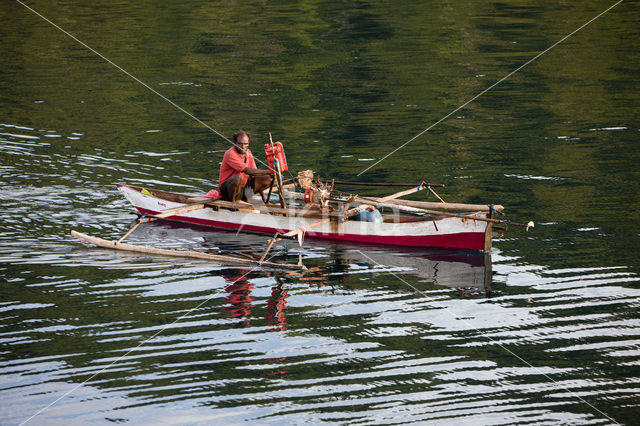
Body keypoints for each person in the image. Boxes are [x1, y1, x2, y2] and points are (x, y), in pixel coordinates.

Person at [219, 130, 273, 202]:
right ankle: (232, 203)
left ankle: (244, 197)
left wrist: (264, 198)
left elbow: (254, 174)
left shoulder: (248, 152)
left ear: (248, 143)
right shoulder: (230, 154)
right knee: (236, 178)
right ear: (235, 143)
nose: (243, 147)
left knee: (269, 179)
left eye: (245, 144)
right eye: (240, 144)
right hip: (228, 190)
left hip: (242, 188)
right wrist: (268, 171)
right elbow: (246, 170)